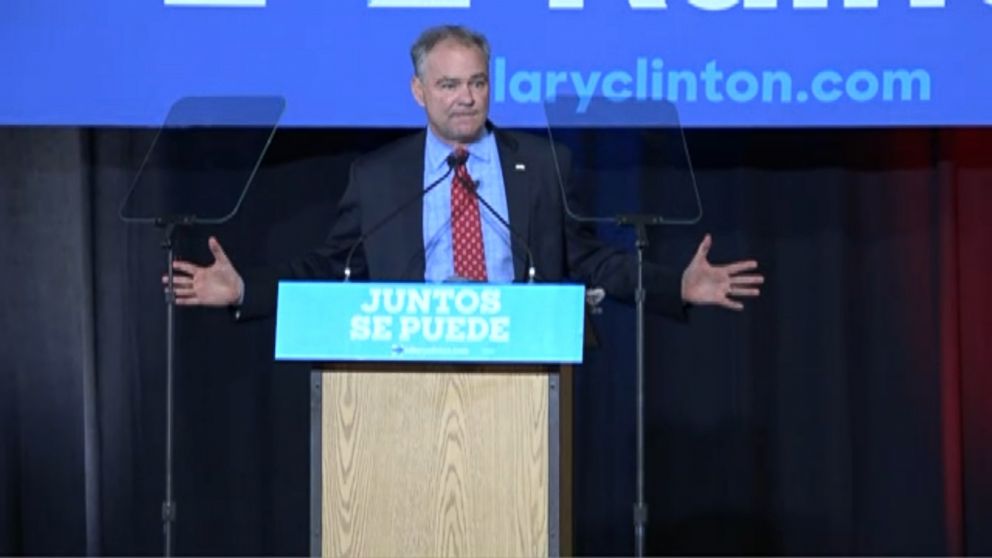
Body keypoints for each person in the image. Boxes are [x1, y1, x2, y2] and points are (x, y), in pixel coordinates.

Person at [166, 24, 763, 319]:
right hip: (407, 369)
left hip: (521, 364)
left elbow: (589, 260)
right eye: (449, 85)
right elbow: (331, 267)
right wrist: (246, 290)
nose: (466, 98)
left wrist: (673, 286)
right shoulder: (379, 177)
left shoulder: (543, 164)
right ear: (419, 91)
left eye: (477, 83)